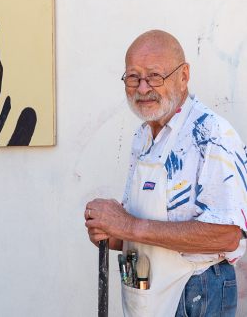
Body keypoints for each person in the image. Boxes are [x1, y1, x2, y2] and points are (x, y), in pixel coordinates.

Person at [85, 30, 247, 317]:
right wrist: (110, 233)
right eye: (133, 77)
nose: (143, 88)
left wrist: (127, 226)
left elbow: (226, 236)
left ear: (183, 76)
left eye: (155, 76)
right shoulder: (143, 136)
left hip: (196, 292)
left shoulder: (211, 134)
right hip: (147, 295)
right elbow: (139, 227)